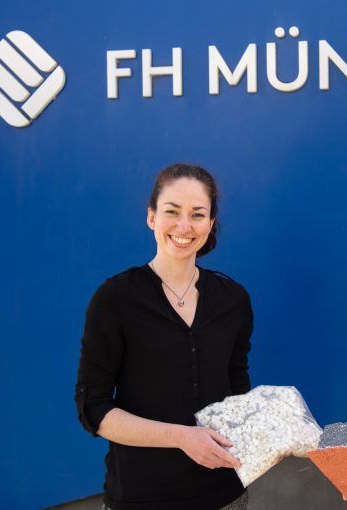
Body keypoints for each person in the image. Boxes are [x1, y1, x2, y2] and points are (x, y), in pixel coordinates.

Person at [75, 163, 253, 510]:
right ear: (151, 217)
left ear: (211, 223)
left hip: (225, 497)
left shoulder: (234, 300)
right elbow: (92, 408)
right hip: (140, 499)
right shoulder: (115, 299)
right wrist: (183, 438)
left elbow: (237, 394)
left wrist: (276, 431)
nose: (184, 227)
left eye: (197, 214)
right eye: (172, 212)